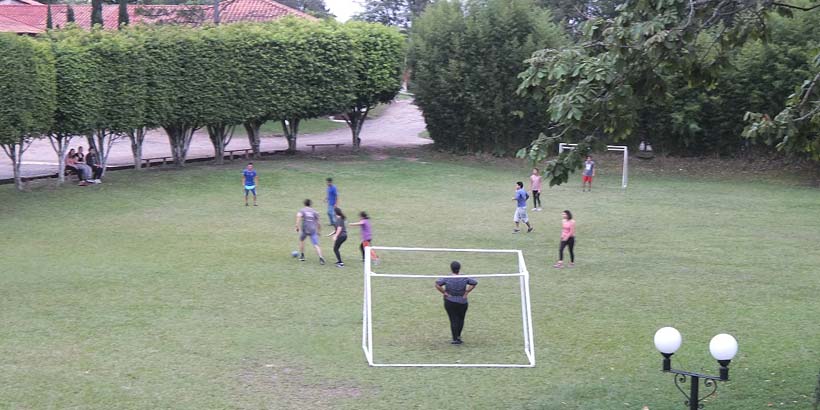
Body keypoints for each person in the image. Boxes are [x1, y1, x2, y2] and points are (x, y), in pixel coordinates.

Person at [435, 261, 477, 345]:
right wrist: (466, 292)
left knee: (453, 319)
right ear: (459, 268)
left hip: (450, 301)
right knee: (461, 319)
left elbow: (437, 284)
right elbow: (474, 282)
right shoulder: (464, 277)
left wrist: (445, 293)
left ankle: (455, 339)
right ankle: (458, 337)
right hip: (462, 301)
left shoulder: (447, 278)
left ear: (451, 269)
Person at [295, 199, 326, 265]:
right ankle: (321, 258)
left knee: (302, 240)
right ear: (311, 204)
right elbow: (319, 223)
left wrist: (297, 226)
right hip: (313, 230)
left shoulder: (302, 210)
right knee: (316, 244)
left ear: (304, 204)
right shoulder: (314, 212)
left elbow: (298, 217)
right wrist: (319, 231)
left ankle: (302, 256)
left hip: (305, 229)